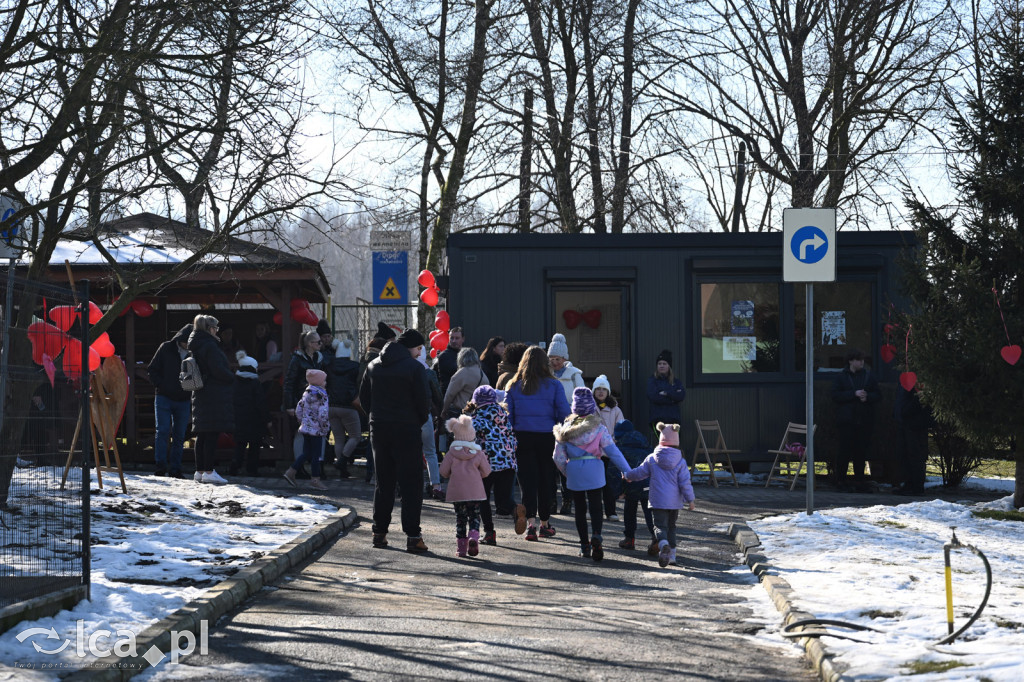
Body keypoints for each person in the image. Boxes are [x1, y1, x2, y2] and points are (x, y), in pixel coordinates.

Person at [359, 328, 431, 553]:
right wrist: (417, 421)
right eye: (419, 348)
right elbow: (423, 402)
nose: (420, 354)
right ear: (410, 347)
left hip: (379, 429)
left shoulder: (373, 366)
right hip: (407, 429)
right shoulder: (415, 368)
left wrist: (375, 418)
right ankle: (413, 536)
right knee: (411, 484)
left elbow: (364, 398)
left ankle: (379, 533)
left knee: (384, 482)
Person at [553, 387, 631, 562]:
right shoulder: (599, 428)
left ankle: (584, 546)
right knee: (596, 506)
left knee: (580, 509)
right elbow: (613, 452)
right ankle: (597, 535)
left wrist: (567, 472)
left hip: (574, 469)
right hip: (595, 468)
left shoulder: (565, 429)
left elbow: (557, 457)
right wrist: (627, 471)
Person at [504, 346, 570, 541]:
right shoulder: (554, 385)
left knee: (527, 481)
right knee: (546, 481)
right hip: (547, 436)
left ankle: (530, 524)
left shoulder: (514, 385)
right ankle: (545, 524)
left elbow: (509, 416)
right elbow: (563, 413)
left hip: (522, 436)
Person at [622, 422, 696, 568]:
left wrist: (628, 476)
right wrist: (691, 500)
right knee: (672, 527)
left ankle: (663, 546)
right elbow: (685, 483)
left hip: (657, 500)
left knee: (660, 527)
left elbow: (640, 472)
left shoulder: (652, 458)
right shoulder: (681, 462)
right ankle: (672, 557)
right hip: (674, 502)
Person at [467, 385, 525, 544]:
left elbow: (469, 435)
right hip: (508, 461)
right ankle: (514, 509)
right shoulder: (503, 415)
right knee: (503, 499)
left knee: (482, 497)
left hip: (487, 463)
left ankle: (489, 532)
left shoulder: (477, 416)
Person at [188, 315, 235, 484]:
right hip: (213, 393)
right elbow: (218, 370)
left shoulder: (196, 344)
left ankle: (200, 470)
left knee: (202, 434)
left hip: (200, 392)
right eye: (216, 328)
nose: (217, 331)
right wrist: (232, 377)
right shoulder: (210, 346)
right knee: (212, 433)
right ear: (210, 329)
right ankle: (209, 470)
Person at [439, 414, 492, 557]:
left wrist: (452, 475)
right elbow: (487, 471)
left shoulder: (451, 453)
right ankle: (473, 537)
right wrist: (476, 475)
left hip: (457, 493)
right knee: (474, 516)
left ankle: (461, 549)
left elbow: (443, 472)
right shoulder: (478, 453)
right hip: (475, 492)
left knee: (460, 519)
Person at [830, 348, 881, 492]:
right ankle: (841, 480)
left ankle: (859, 480)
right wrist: (853, 394)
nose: (862, 363)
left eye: (863, 360)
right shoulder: (842, 377)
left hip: (863, 420)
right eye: (859, 360)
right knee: (844, 451)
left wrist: (868, 397)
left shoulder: (868, 376)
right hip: (847, 420)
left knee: (861, 452)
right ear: (851, 361)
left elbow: (878, 395)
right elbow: (835, 395)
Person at [147, 324, 193, 478]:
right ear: (180, 339)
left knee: (179, 435)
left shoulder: (193, 353)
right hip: (164, 397)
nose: (188, 344)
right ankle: (161, 466)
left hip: (183, 398)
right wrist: (161, 385)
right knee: (163, 431)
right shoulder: (166, 348)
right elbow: (152, 369)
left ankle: (175, 468)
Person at [548, 333, 584, 515]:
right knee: (551, 462)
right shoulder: (547, 375)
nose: (555, 362)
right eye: (552, 359)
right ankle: (552, 500)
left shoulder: (574, 375)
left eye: (558, 359)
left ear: (565, 358)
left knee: (565, 461)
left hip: (568, 423)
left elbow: (583, 397)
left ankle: (567, 500)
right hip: (550, 421)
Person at [283, 330, 329, 468]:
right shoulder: (297, 359)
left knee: (318, 433)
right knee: (301, 433)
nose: (321, 344)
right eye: (318, 342)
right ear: (310, 344)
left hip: (317, 402)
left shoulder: (319, 358)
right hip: (302, 401)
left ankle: (317, 466)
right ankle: (299, 466)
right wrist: (290, 405)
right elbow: (289, 382)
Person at [614, 419, 657, 555]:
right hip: (648, 483)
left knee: (630, 511)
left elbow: (615, 472)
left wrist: (618, 491)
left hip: (630, 484)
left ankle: (629, 539)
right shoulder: (646, 445)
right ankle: (655, 536)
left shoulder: (619, 449)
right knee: (649, 511)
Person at [283, 369, 330, 491]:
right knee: (316, 455)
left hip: (306, 428)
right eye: (324, 380)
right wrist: (325, 427)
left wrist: (302, 422)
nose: (326, 382)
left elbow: (299, 409)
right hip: (317, 430)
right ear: (319, 382)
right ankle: (315, 479)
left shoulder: (306, 393)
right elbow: (323, 414)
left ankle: (291, 471)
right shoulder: (322, 395)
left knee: (306, 453)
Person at [326, 338, 361, 479]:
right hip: (348, 406)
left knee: (339, 438)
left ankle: (342, 470)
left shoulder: (329, 365)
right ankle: (342, 461)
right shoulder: (355, 366)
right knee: (355, 436)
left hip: (332, 406)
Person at [231, 350, 269, 477]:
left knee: (240, 444)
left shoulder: (235, 382)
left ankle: (235, 466)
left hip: (239, 418)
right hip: (254, 420)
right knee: (254, 445)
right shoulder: (255, 383)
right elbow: (261, 403)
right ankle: (251, 469)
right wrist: (266, 418)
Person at [593, 374, 624, 521]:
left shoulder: (615, 410)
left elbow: (621, 429)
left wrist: (612, 442)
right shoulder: (589, 408)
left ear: (608, 392)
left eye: (603, 389)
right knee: (594, 483)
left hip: (610, 451)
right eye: (597, 389)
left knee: (609, 483)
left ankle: (611, 511)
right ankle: (594, 510)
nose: (600, 392)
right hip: (594, 451)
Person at [416, 345, 445, 500]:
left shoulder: (406, 370)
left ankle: (412, 486)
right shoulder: (429, 373)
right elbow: (438, 397)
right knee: (431, 453)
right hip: (425, 415)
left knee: (411, 452)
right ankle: (436, 486)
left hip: (408, 417)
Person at [894, 383, 932, 496]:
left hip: (915, 423)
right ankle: (909, 484)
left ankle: (917, 486)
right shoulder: (905, 380)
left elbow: (919, 401)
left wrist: (905, 411)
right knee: (905, 454)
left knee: (915, 455)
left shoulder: (918, 381)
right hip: (905, 421)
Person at [441, 347, 490, 421]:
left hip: (459, 413)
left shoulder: (462, 373)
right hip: (477, 415)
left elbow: (450, 394)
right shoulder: (483, 376)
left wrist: (444, 410)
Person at [647, 349, 686, 435]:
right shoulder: (652, 381)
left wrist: (666, 393)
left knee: (673, 444)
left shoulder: (676, 382)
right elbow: (653, 397)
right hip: (657, 419)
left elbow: (681, 396)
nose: (661, 366)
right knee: (662, 443)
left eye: (664, 364)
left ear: (669, 366)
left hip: (674, 419)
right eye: (659, 364)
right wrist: (672, 398)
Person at [434, 326, 464, 396]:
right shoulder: (444, 356)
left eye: (457, 338)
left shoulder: (464, 354)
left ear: (463, 339)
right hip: (449, 395)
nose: (454, 341)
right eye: (452, 338)